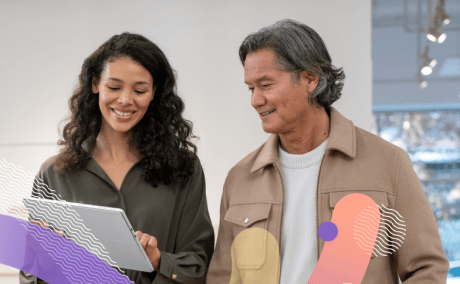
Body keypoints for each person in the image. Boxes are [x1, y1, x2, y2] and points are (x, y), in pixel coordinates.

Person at [206, 19, 449, 283]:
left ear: (310, 78)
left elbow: (427, 269)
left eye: (266, 85)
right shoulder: (240, 179)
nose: (255, 100)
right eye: (251, 88)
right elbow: (223, 276)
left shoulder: (389, 164)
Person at [19, 32, 215, 284]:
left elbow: (199, 266)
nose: (125, 100)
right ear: (95, 84)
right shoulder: (54, 174)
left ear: (154, 92)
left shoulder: (184, 169)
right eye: (113, 87)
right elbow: (30, 273)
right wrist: (49, 261)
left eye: (140, 90)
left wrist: (158, 260)